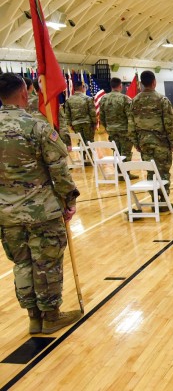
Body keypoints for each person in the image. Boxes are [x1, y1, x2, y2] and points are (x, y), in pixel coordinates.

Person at [0, 73, 82, 334]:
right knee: (46, 263)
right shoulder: (36, 125)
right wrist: (69, 200)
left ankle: (33, 317)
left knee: (22, 263)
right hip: (41, 211)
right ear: (24, 92)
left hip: (7, 214)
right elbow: (59, 169)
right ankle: (50, 316)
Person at [128, 70, 173, 211]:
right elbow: (169, 124)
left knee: (151, 171)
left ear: (141, 83)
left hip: (144, 142)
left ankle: (154, 200)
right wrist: (172, 142)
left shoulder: (134, 101)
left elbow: (131, 125)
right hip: (161, 142)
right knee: (163, 172)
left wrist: (136, 143)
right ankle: (164, 202)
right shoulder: (162, 100)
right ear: (154, 82)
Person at [100, 78, 137, 179]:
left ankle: (119, 173)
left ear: (111, 86)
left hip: (111, 130)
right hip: (124, 130)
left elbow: (101, 116)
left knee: (116, 151)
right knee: (126, 152)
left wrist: (107, 127)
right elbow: (130, 116)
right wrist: (131, 131)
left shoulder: (104, 98)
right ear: (120, 86)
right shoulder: (125, 98)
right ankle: (125, 174)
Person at [25, 78, 71, 150]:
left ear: (34, 87)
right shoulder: (52, 104)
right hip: (51, 143)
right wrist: (67, 143)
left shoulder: (25, 104)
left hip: (30, 144)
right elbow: (62, 125)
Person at [64, 81, 96, 164]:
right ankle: (90, 159)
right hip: (87, 123)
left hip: (75, 124)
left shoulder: (69, 100)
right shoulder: (88, 98)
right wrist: (95, 123)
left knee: (81, 140)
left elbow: (67, 114)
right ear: (82, 87)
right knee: (89, 140)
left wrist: (70, 124)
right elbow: (92, 112)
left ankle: (83, 158)